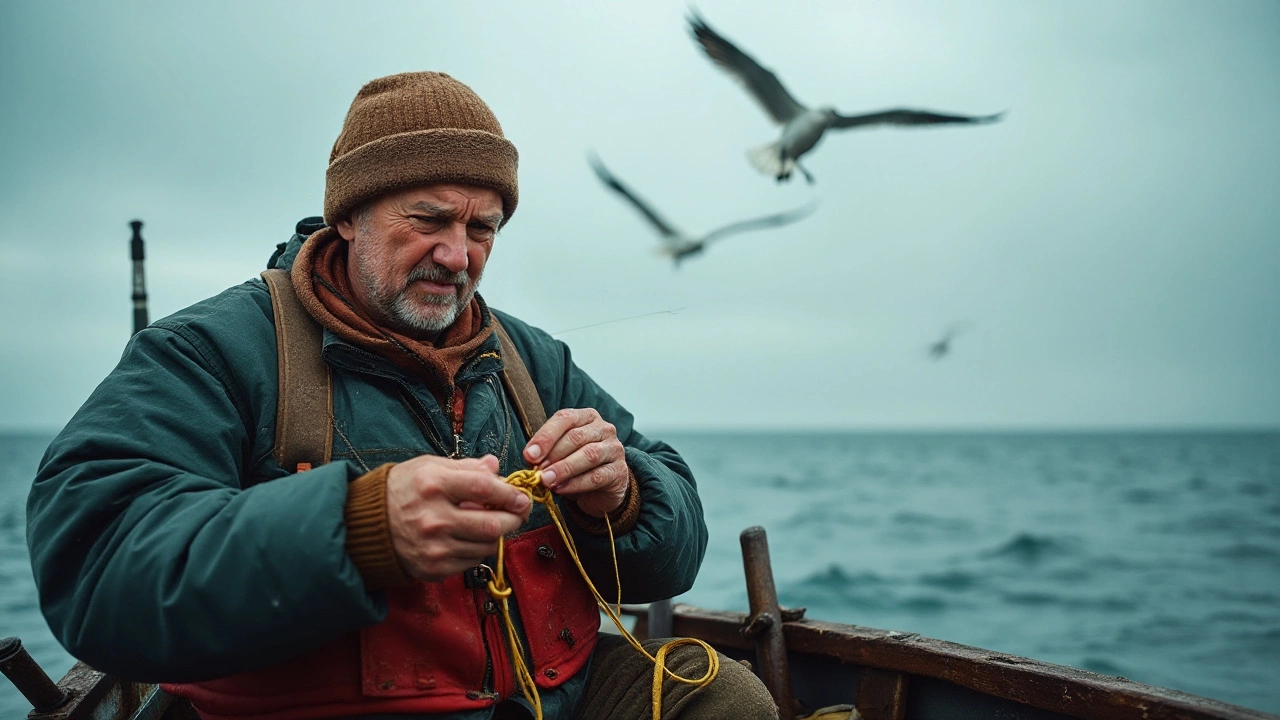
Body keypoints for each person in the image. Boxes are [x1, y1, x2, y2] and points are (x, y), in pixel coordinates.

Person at [26, 72, 778, 720]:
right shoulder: (214, 349)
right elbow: (93, 564)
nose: (459, 255)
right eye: (430, 219)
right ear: (348, 215)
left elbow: (674, 552)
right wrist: (354, 530)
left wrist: (625, 499)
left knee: (725, 699)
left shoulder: (531, 360)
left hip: (554, 698)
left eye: (483, 228)